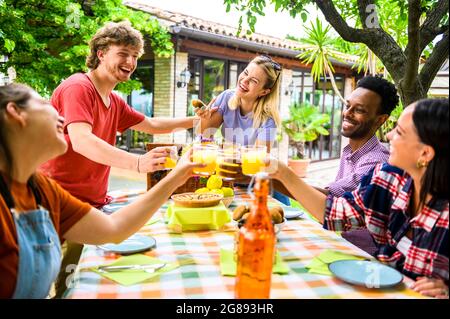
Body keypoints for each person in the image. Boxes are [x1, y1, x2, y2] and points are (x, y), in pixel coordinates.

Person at [0, 83, 203, 299]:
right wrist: (139, 163)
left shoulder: (42, 190)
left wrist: (177, 176)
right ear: (16, 113)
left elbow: (114, 228)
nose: (62, 118)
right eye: (44, 103)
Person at [268, 98, 449, 298]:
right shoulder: (387, 177)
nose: (388, 136)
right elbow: (334, 214)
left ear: (424, 153)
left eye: (399, 132)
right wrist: (283, 173)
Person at [40, 21, 198, 208]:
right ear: (101, 54)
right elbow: (82, 141)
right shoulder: (79, 87)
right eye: (123, 54)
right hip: (55, 202)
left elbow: (152, 124)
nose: (130, 62)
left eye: (134, 56)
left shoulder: (114, 102)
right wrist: (138, 162)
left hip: (91, 203)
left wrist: (196, 121)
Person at [195, 55, 281, 149]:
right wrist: (205, 119)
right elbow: (202, 137)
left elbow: (260, 159)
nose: (244, 80)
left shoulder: (268, 120)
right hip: (225, 158)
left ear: (264, 92)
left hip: (245, 162)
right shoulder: (226, 98)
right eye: (246, 73)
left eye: (254, 81)